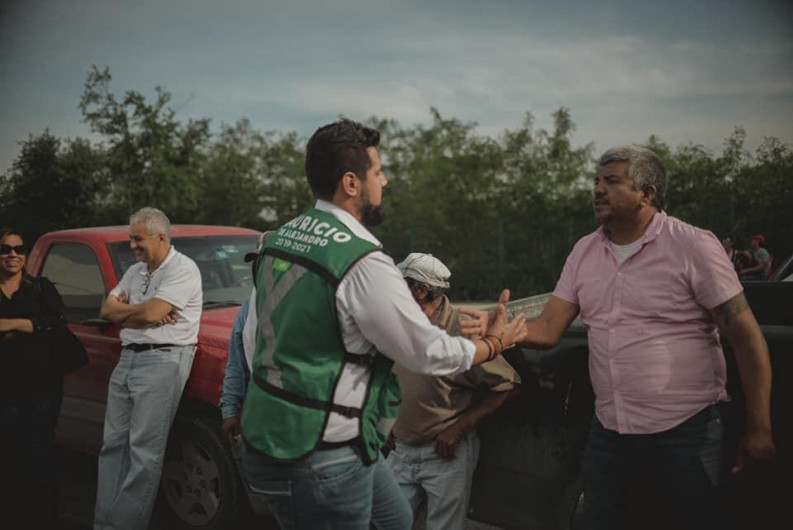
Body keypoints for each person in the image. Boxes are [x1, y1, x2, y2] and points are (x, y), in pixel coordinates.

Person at [239, 119, 527, 530]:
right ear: (352, 183)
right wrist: (496, 343)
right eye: (378, 172)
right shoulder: (361, 261)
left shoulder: (281, 239)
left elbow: (254, 342)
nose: (385, 181)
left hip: (276, 434)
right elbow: (430, 352)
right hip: (322, 451)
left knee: (395, 520)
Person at [518, 146, 775, 530]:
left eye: (611, 181)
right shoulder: (584, 251)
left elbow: (747, 338)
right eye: (596, 181)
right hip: (609, 435)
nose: (597, 190)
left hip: (688, 433)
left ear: (647, 193)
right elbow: (549, 327)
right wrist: (500, 332)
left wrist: (759, 428)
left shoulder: (692, 246)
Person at [386, 253, 521, 530]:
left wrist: (459, 429)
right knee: (386, 522)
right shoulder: (398, 322)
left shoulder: (463, 328)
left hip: (445, 452)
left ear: (422, 290)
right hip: (400, 449)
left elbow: (508, 386)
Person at [93, 207, 203, 530]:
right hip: (127, 359)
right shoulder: (135, 271)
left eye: (137, 239)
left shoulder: (183, 269)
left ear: (160, 237)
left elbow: (151, 313)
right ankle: (104, 524)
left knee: (144, 454)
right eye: (131, 239)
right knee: (112, 447)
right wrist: (141, 312)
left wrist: (129, 311)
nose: (132, 246)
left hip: (163, 360)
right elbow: (106, 309)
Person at [0, 228, 68, 526]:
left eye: (18, 248)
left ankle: (43, 520)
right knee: (8, 452)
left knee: (39, 450)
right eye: (5, 249)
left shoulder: (40, 288)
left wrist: (8, 323)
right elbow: (39, 325)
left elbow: (54, 323)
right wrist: (29, 327)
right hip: (4, 386)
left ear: (25, 254)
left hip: (42, 384)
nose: (12, 254)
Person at [219, 231, 272, 447]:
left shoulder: (306, 304)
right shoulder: (249, 308)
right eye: (261, 261)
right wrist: (229, 411)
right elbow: (237, 364)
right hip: (258, 414)